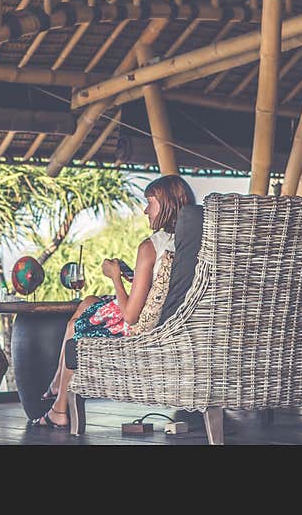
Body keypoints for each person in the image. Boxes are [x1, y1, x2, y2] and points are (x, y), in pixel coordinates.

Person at [31, 174, 196, 428]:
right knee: (88, 302)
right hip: (171, 323)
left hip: (140, 331)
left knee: (77, 326)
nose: (145, 211)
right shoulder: (188, 244)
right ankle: (57, 383)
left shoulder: (150, 246)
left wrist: (115, 277)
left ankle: (60, 408)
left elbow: (130, 316)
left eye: (150, 203)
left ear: (165, 205)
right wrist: (135, 276)